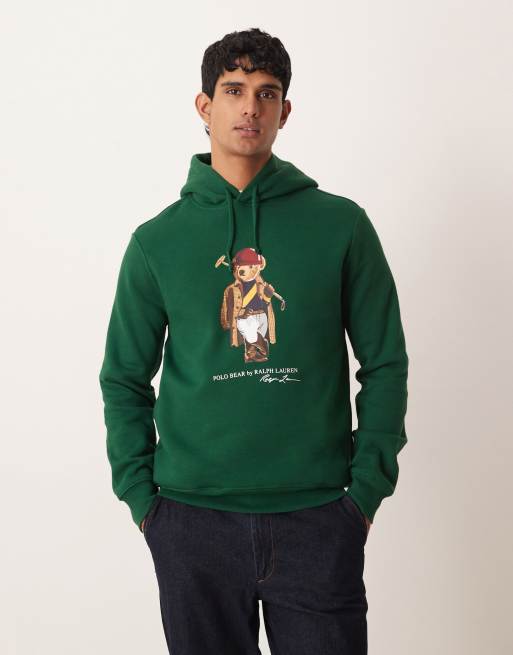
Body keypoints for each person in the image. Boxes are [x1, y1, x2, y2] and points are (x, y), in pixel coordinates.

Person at [99, 27, 409, 655]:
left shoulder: (341, 226)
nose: (250, 108)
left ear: (285, 111)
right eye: (234, 90)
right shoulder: (157, 242)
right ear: (204, 105)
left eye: (267, 94)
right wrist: (143, 500)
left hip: (318, 519)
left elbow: (384, 363)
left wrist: (365, 492)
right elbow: (124, 378)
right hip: (191, 522)